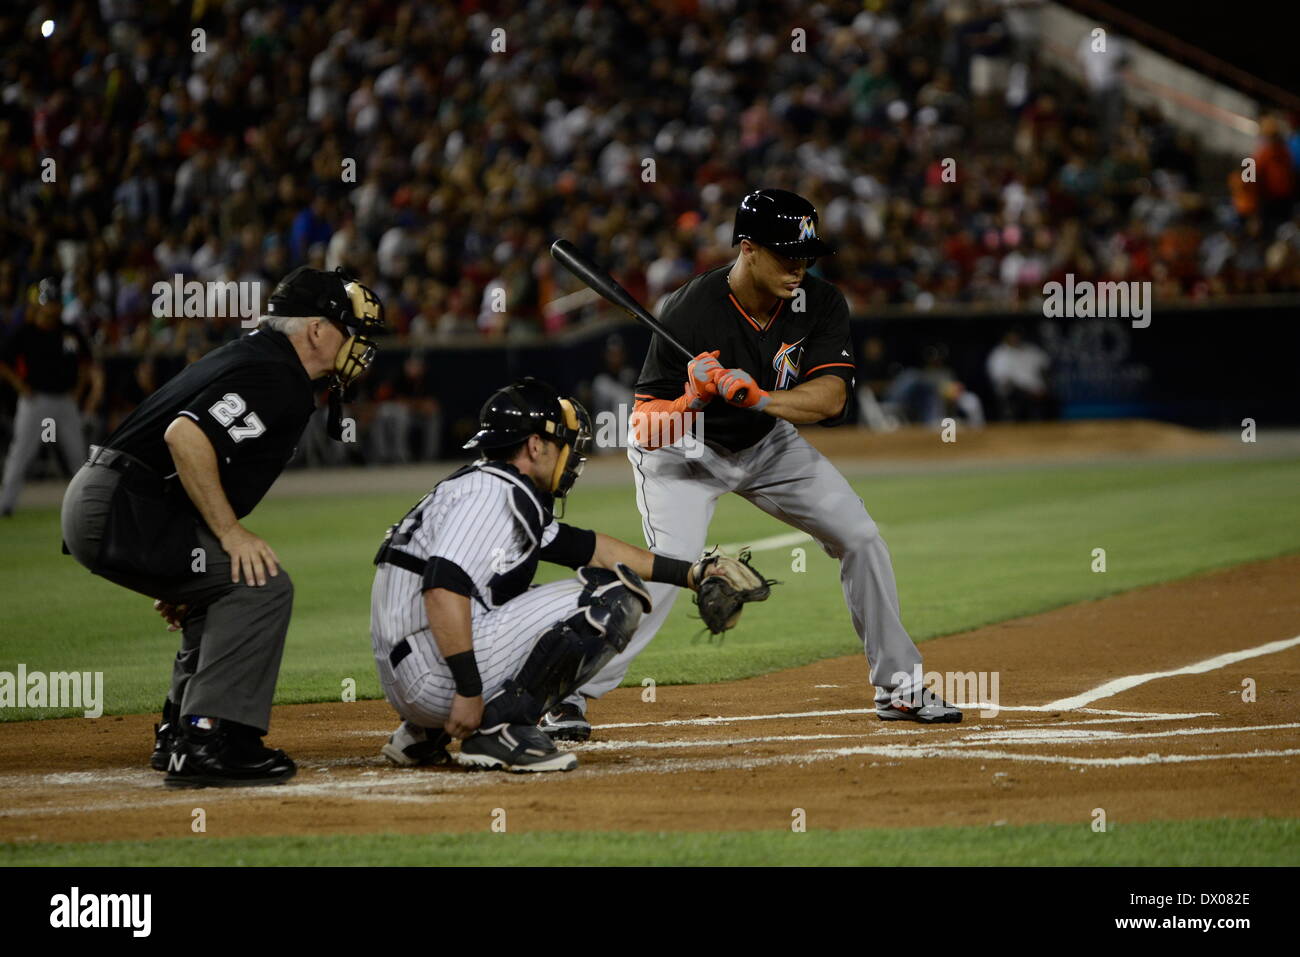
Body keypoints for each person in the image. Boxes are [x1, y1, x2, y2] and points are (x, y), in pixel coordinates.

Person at [541, 189, 963, 742]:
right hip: (684, 453)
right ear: (748, 248)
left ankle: (899, 687)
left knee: (860, 537)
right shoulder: (690, 310)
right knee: (671, 569)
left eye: (807, 254)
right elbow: (642, 429)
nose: (799, 265)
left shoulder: (821, 302)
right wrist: (693, 398)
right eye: (787, 253)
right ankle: (566, 695)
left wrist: (758, 398)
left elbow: (832, 396)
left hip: (767, 444)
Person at [60, 267, 385, 788]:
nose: (360, 348)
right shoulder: (277, 372)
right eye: (353, 332)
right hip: (122, 503)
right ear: (318, 330)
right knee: (261, 584)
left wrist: (186, 567)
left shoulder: (260, 356)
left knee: (219, 587)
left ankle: (179, 731)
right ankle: (211, 739)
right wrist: (229, 534)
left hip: (119, 498)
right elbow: (186, 437)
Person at [369, 379, 728, 771]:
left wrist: (693, 573)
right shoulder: (493, 494)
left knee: (544, 592)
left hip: (414, 672)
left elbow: (595, 550)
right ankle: (498, 729)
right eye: (563, 444)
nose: (571, 457)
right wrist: (469, 691)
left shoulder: (483, 485)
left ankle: (423, 736)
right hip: (435, 677)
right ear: (535, 445)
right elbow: (442, 586)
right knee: (610, 599)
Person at [0, 278, 93, 516]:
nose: (53, 307)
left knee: (77, 456)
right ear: (39, 304)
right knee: (21, 452)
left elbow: (85, 363)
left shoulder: (69, 332)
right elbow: (4, 362)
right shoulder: (25, 332)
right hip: (36, 400)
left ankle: (86, 505)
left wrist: (79, 390)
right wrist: (20, 386)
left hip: (64, 401)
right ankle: (6, 504)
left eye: (55, 302)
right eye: (48, 302)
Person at [986, 325, 1052, 420]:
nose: (1015, 338)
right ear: (1006, 337)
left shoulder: (1031, 350)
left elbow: (1045, 367)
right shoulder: (999, 354)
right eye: (1012, 335)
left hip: (1037, 391)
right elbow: (1004, 381)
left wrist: (1045, 386)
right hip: (1014, 393)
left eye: (1017, 335)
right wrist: (1028, 391)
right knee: (1018, 397)